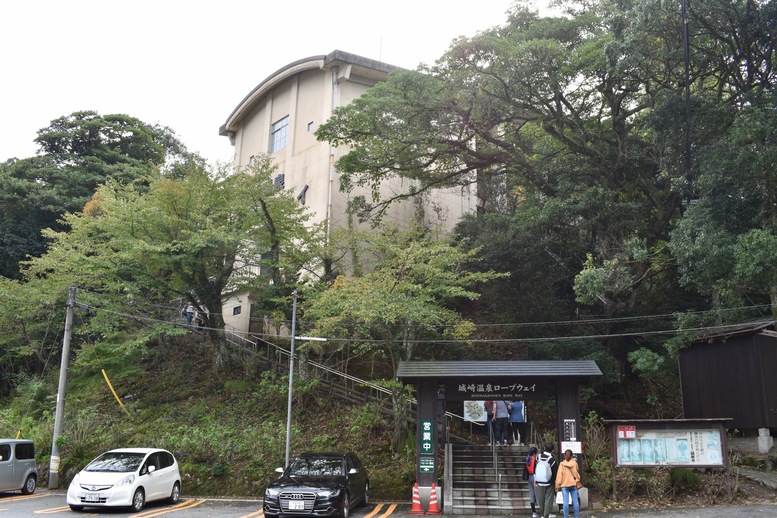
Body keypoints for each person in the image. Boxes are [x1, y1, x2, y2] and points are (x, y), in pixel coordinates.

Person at [555, 448, 581, 518]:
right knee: (575, 501)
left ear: (564, 456)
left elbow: (559, 476)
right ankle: (576, 516)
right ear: (572, 456)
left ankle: (566, 516)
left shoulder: (562, 464)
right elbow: (577, 473)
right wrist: (577, 480)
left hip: (564, 485)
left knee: (565, 502)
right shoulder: (575, 463)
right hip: (573, 484)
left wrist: (557, 486)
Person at [534, 442, 557, 518]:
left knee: (541, 498)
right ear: (552, 450)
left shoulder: (538, 457)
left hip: (539, 481)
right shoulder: (552, 459)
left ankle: (542, 513)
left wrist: (536, 479)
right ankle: (546, 515)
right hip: (549, 482)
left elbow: (535, 468)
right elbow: (554, 472)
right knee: (548, 499)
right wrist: (553, 481)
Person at [525, 446, 539, 518]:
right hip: (534, 477)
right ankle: (542, 510)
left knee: (531, 494)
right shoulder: (534, 460)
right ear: (534, 454)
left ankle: (534, 512)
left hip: (529, 477)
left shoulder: (527, 459)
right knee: (537, 494)